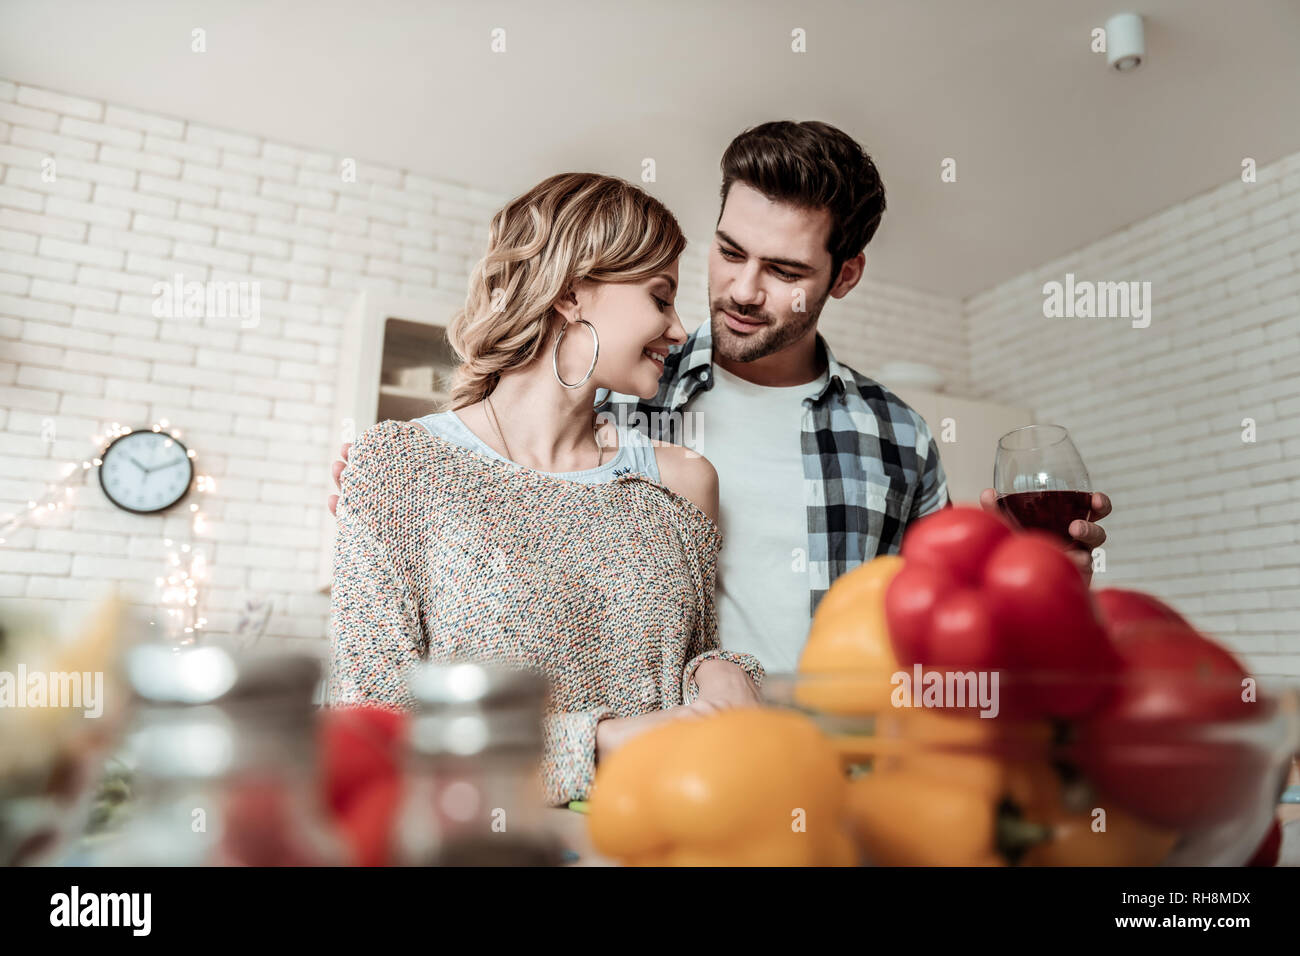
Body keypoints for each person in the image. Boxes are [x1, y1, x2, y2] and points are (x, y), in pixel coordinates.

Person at [324, 173, 763, 806]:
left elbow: (690, 654)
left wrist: (723, 671)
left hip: (668, 837)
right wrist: (603, 742)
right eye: (660, 297)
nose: (678, 328)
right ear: (572, 293)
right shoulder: (398, 465)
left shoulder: (683, 479)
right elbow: (370, 729)